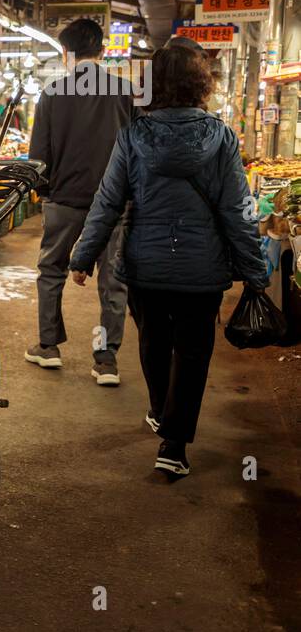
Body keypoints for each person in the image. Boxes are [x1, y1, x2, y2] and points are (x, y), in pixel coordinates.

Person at [68, 41, 269, 477]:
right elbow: (238, 210)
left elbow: (107, 202)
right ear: (202, 83)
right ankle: (173, 446)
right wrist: (256, 270)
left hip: (146, 265)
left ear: (152, 83)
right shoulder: (220, 138)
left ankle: (161, 410)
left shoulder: (133, 136)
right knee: (193, 354)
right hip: (202, 269)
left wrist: (82, 257)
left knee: (154, 344)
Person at [25, 17, 135, 385]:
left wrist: (45, 191)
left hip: (64, 200)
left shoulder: (52, 93)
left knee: (51, 271)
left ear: (65, 53)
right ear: (102, 52)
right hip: (114, 203)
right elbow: (138, 151)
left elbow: (39, 155)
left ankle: (49, 346)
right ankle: (105, 360)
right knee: (112, 282)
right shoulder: (127, 93)